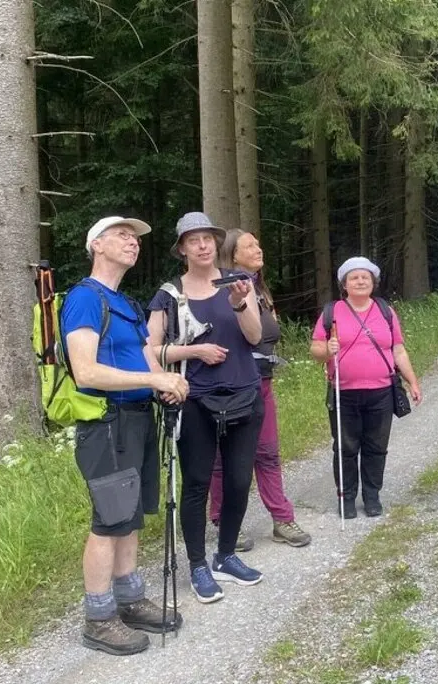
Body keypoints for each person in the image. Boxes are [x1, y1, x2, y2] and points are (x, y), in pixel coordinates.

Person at [62, 215, 188, 655]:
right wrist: (157, 383)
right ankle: (98, 618)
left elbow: (143, 358)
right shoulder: (83, 299)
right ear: (96, 244)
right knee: (109, 519)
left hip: (136, 418)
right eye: (121, 235)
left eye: (135, 237)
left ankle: (129, 600)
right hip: (105, 422)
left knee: (130, 515)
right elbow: (86, 371)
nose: (131, 242)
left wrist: (166, 381)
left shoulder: (128, 304)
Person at [147, 212, 265, 605]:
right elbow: (151, 349)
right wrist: (193, 351)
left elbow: (255, 336)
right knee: (197, 484)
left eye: (207, 238)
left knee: (237, 481)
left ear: (216, 243)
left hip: (245, 393)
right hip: (194, 399)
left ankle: (226, 555)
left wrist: (239, 303)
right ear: (182, 248)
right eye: (192, 240)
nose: (202, 245)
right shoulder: (168, 294)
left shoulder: (236, 282)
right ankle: (198, 564)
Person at [209, 229, 312, 549]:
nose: (259, 248)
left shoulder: (262, 291)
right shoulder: (221, 290)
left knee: (267, 453)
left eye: (258, 242)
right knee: (223, 459)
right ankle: (224, 521)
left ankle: (282, 519)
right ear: (232, 255)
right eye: (249, 245)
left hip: (262, 384)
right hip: (229, 387)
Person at [310, 257, 422, 518]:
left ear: (373, 282)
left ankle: (372, 495)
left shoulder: (385, 311)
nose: (360, 281)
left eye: (365, 277)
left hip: (381, 391)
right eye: (354, 278)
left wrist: (412, 380)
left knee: (376, 446)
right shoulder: (331, 312)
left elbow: (398, 350)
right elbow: (315, 349)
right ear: (344, 284)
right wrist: (327, 350)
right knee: (345, 447)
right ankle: (346, 497)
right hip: (343, 392)